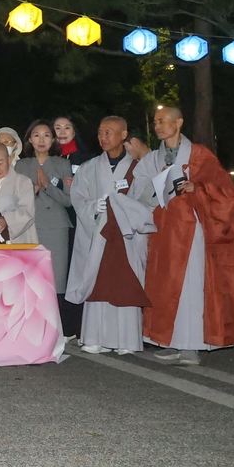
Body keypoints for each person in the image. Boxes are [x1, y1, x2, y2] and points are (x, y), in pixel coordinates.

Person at [135, 106, 234, 365]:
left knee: (191, 286)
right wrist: (153, 188)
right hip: (163, 230)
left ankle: (192, 344)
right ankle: (170, 341)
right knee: (164, 285)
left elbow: (227, 192)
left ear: (179, 122)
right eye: (155, 122)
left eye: (162, 121)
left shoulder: (200, 155)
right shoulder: (152, 159)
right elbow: (138, 188)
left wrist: (199, 187)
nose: (158, 126)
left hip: (192, 230)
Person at [67, 116, 155, 355]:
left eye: (109, 132)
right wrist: (92, 208)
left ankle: (126, 340)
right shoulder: (90, 167)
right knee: (98, 283)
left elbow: (150, 200)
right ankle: (95, 337)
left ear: (124, 134)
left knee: (125, 284)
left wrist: (127, 209)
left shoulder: (139, 168)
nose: (103, 137)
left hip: (127, 236)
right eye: (100, 132)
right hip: (99, 235)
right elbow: (78, 197)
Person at [15, 121, 74, 295]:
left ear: (53, 140)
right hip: (30, 226)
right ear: (30, 140)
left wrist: (48, 185)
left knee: (55, 280)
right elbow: (17, 201)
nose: (41, 140)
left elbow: (68, 201)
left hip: (56, 227)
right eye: (36, 135)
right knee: (30, 280)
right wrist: (35, 189)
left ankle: (57, 320)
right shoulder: (21, 166)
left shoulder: (62, 165)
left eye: (47, 135)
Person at [0, 143, 37, 244]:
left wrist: (7, 220)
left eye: (0, 163)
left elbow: (28, 211)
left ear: (9, 160)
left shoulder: (23, 182)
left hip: (17, 240)